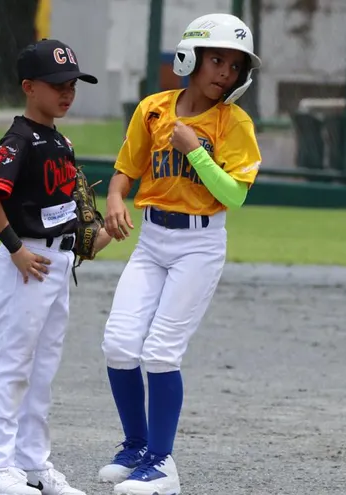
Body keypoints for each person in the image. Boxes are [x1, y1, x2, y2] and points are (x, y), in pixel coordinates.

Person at [97, 13, 263, 495]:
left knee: (161, 352)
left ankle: (163, 464)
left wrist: (196, 151)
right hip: (151, 241)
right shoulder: (153, 109)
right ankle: (136, 449)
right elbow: (126, 171)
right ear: (189, 57)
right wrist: (113, 200)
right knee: (119, 344)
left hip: (199, 244)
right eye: (216, 60)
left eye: (234, 66)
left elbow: (234, 196)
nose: (224, 74)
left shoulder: (234, 123)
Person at [0, 38, 111, 495]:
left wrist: (106, 230)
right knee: (14, 364)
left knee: (42, 370)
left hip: (57, 258)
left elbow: (71, 214)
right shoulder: (20, 139)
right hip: (28, 259)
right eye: (56, 85)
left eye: (72, 83)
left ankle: (32, 465)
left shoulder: (60, 140)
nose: (66, 92)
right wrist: (14, 249)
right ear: (29, 87)